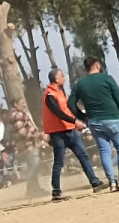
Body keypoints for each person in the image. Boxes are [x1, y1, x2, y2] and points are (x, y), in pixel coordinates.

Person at [68, 56, 119, 192]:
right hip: (112, 118)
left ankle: (111, 181)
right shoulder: (107, 78)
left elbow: (70, 103)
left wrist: (82, 117)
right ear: (97, 65)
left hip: (94, 121)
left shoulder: (80, 84)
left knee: (104, 151)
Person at [41, 68, 104, 201]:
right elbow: (58, 113)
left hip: (69, 130)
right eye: (62, 76)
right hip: (58, 133)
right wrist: (75, 121)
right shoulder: (50, 95)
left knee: (83, 156)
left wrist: (78, 120)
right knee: (59, 162)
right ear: (56, 79)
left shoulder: (59, 92)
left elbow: (67, 110)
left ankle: (95, 182)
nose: (64, 78)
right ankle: (56, 192)